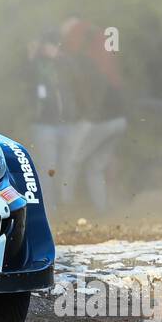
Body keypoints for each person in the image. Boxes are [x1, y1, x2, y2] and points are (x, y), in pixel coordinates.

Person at [60, 19, 127, 213]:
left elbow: (87, 93)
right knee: (96, 167)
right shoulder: (108, 59)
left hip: (99, 120)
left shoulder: (85, 61)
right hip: (119, 119)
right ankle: (103, 209)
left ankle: (66, 206)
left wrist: (86, 115)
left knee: (72, 160)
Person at [26, 29, 82, 207]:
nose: (49, 49)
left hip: (67, 123)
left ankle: (67, 205)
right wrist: (31, 56)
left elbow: (77, 76)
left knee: (68, 169)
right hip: (44, 125)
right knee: (48, 169)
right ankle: (49, 209)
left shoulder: (64, 64)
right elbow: (25, 78)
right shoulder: (35, 64)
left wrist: (60, 57)